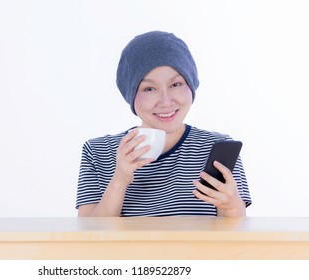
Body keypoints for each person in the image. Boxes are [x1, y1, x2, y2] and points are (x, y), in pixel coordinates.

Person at [76, 31, 251, 217]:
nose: (166, 101)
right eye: (149, 88)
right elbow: (88, 239)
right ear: (131, 95)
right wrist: (120, 179)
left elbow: (234, 240)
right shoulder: (98, 152)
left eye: (175, 84)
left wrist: (232, 206)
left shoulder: (218, 149)